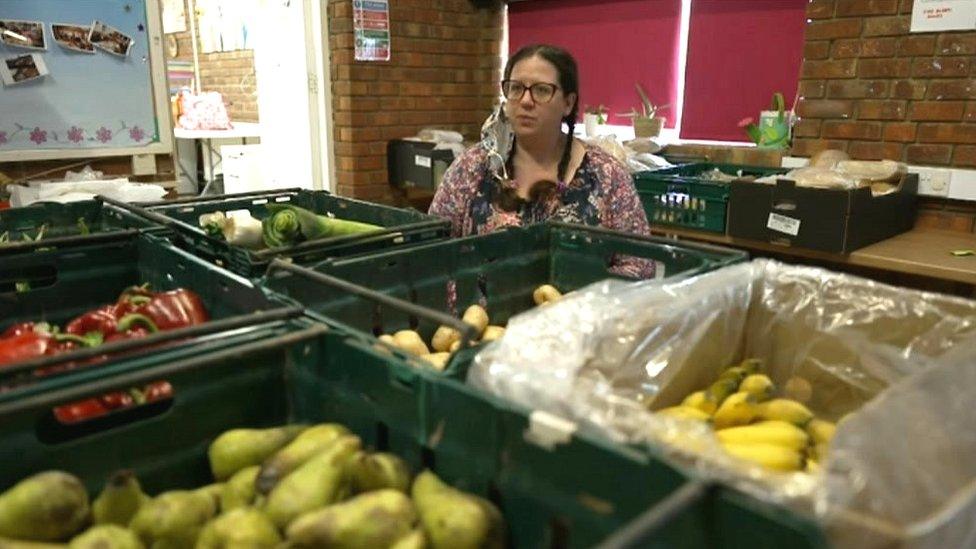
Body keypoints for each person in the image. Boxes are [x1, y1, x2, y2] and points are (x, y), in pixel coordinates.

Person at [429, 44, 653, 278]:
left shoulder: (606, 175)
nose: (525, 101)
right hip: (481, 313)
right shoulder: (472, 167)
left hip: (577, 312)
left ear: (568, 103)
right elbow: (433, 253)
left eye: (542, 90)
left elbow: (640, 265)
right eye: (516, 88)